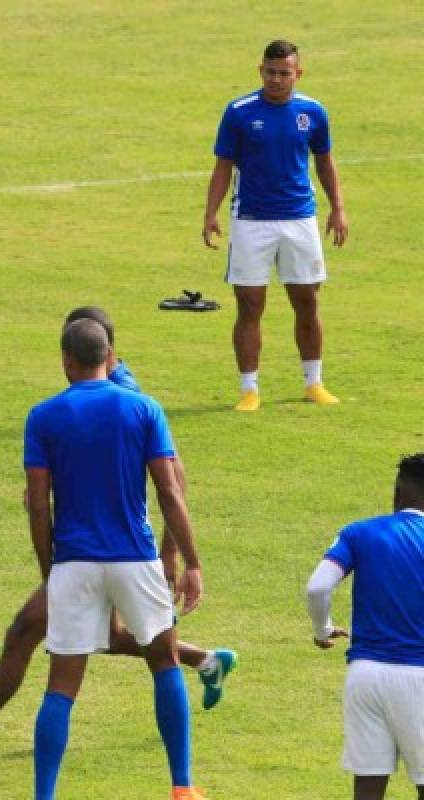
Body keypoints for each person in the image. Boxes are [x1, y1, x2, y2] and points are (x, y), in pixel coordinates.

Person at [0, 307, 235, 765]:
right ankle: (204, 663)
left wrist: (171, 555)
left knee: (36, 636)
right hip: (98, 552)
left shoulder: (126, 398)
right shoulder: (112, 396)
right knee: (101, 637)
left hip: (96, 553)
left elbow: (173, 482)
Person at [15, 319, 207, 799]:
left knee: (61, 684)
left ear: (67, 359)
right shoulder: (143, 408)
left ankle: (45, 796)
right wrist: (192, 562)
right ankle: (181, 786)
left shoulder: (44, 416)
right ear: (110, 356)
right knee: (163, 661)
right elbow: (169, 490)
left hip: (74, 561)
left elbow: (38, 504)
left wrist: (49, 568)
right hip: (135, 558)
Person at [203, 39, 348, 412]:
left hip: (300, 218)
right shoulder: (238, 112)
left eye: (285, 73)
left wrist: (338, 209)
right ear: (260, 71)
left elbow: (325, 162)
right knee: (250, 305)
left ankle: (313, 382)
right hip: (251, 220)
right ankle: (249, 389)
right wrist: (211, 213)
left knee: (307, 301)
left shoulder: (313, 112)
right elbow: (223, 166)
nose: (277, 80)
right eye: (271, 72)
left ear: (297, 73)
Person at [306, 454, 424, 800]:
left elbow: (317, 587)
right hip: (419, 675)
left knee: (368, 788)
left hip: (365, 675)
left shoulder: (359, 533)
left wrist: (322, 629)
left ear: (398, 493)